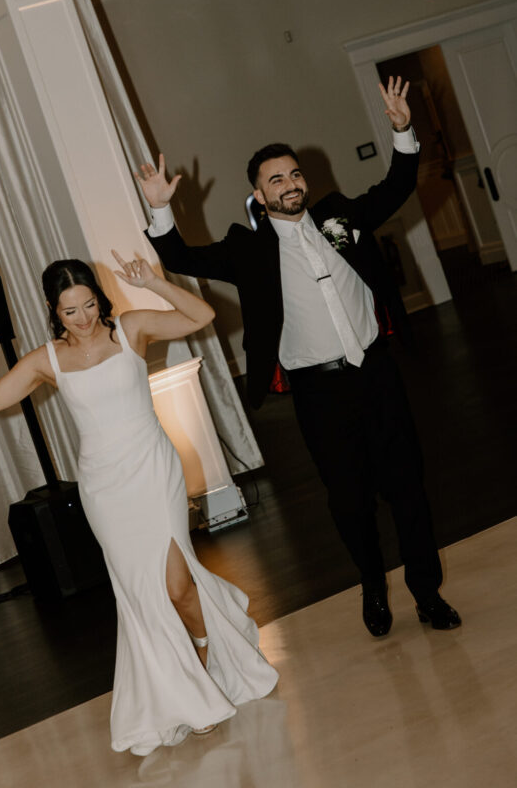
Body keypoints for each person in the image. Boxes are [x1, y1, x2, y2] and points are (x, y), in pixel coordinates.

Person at [137, 76, 461, 638]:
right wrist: (161, 211)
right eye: (275, 180)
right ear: (258, 197)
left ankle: (428, 594)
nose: (289, 184)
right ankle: (372, 590)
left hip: (377, 373)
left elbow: (398, 184)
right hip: (320, 393)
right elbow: (181, 256)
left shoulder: (341, 217)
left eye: (294, 174)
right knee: (350, 500)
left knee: (408, 487)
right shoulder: (248, 249)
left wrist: (403, 129)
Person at [0, 253, 278, 756]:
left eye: (89, 304)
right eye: (71, 311)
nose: (84, 318)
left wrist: (155, 281)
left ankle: (203, 663)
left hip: (155, 473)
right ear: (53, 311)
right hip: (104, 490)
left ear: (100, 298)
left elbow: (202, 316)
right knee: (139, 594)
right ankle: (188, 690)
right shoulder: (47, 360)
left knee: (178, 585)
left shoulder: (129, 330)